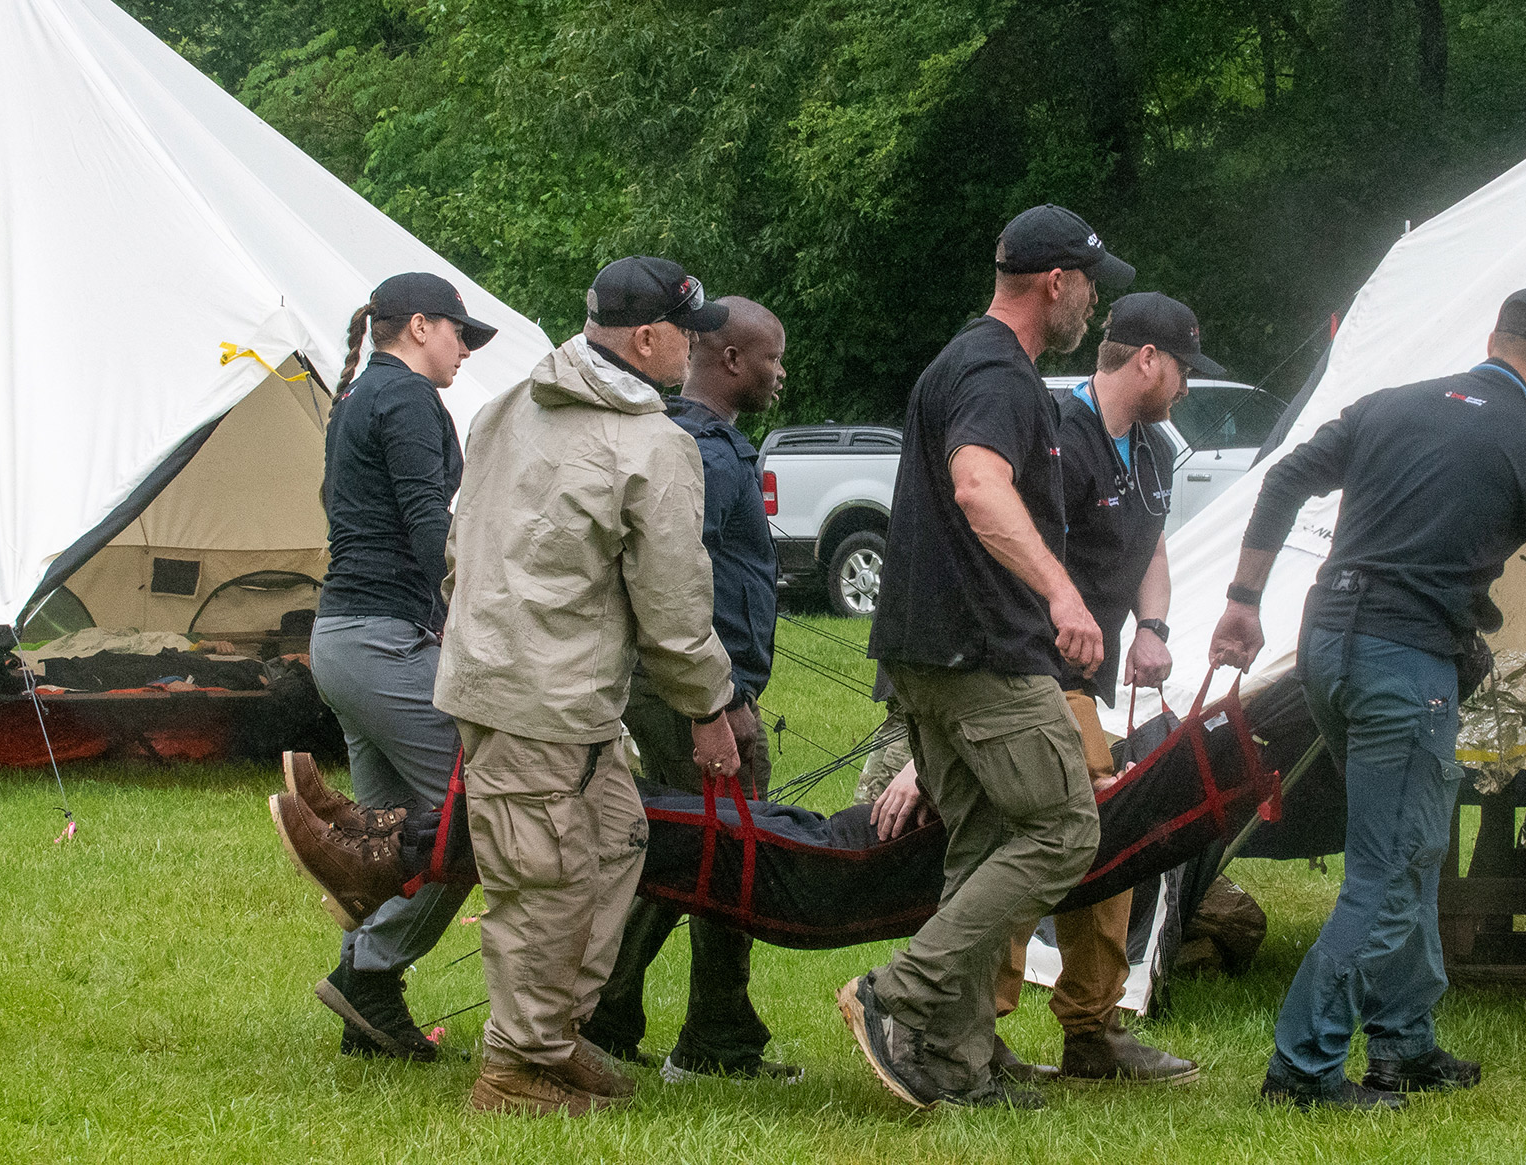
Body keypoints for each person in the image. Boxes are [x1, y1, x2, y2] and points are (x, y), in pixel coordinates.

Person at [1209, 286, 1526, 1111]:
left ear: (1493, 338)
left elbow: (1284, 478)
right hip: (1403, 663)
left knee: (1409, 850)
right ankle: (1302, 1070)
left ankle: (1405, 1045)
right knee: (1387, 870)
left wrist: (1244, 597)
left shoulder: (1389, 406)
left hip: (1325, 646)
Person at [433, 256, 757, 1118]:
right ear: (648, 338)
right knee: (541, 879)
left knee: (615, 837)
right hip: (540, 696)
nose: (695, 350)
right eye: (688, 335)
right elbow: (676, 606)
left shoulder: (504, 407)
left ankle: (554, 1035)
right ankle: (513, 1072)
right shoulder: (655, 443)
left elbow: (459, 538)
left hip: (520, 684)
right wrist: (712, 709)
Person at [870, 291, 1212, 1087]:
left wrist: (1153, 627)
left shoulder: (1157, 451)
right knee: (1061, 830)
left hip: (1085, 680)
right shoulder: (1055, 429)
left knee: (1109, 837)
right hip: (1027, 669)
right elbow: (985, 534)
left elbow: (1150, 546)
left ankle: (1078, 1028)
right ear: (1148, 360)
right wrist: (951, 728)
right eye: (1184, 368)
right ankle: (965, 1018)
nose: (1188, 386)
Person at [838, 204, 1133, 1112]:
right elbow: (976, 483)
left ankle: (959, 1056)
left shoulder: (963, 361)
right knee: (1063, 826)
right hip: (983, 652)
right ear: (1057, 283)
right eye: (1090, 283)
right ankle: (902, 993)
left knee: (987, 840)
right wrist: (1063, 592)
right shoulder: (999, 374)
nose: (1093, 301)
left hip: (924, 653)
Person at [268, 270, 497, 1062]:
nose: (465, 350)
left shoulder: (362, 396)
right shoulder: (404, 399)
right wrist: (494, 607)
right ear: (422, 326)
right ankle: (367, 972)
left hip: (344, 639)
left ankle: (365, 1015)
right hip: (383, 640)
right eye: (460, 333)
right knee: (471, 825)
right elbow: (433, 524)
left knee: (387, 848)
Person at [587, 297, 800, 1082]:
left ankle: (695, 1025)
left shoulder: (718, 445)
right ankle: (675, 1030)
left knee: (700, 846)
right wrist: (723, 698)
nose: (781, 373)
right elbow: (682, 590)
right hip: (695, 688)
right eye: (772, 357)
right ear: (733, 359)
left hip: (705, 682)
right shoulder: (699, 452)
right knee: (709, 848)